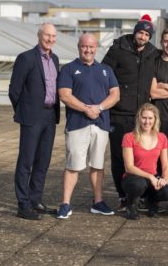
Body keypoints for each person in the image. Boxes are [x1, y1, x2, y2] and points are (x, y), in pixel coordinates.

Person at [56, 33, 120, 219]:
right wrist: (86, 109)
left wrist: (98, 108)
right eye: (85, 46)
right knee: (73, 165)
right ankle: (65, 204)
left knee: (97, 165)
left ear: (96, 48)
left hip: (100, 125)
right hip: (78, 125)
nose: (88, 50)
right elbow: (65, 95)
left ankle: (97, 202)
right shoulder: (69, 69)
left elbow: (115, 95)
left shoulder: (106, 70)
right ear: (79, 47)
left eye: (91, 47)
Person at [102, 14, 160, 211]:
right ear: (135, 32)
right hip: (119, 114)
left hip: (142, 116)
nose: (143, 37)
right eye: (140, 32)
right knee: (119, 157)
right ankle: (122, 196)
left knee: (143, 156)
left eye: (146, 34)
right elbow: (104, 74)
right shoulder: (118, 49)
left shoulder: (153, 53)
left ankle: (140, 195)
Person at [8, 23, 60, 220]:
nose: (50, 39)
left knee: (43, 161)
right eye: (47, 35)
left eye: (53, 36)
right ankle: (23, 204)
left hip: (49, 116)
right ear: (39, 35)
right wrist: (24, 111)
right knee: (26, 161)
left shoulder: (54, 59)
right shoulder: (26, 58)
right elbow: (14, 90)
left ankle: (35, 199)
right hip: (32, 117)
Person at [121, 103, 168, 220]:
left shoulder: (162, 137)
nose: (147, 122)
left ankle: (152, 201)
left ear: (155, 120)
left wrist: (164, 179)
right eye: (144, 117)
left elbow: (165, 164)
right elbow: (129, 167)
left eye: (150, 118)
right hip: (133, 177)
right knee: (138, 184)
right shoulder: (129, 137)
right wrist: (150, 177)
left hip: (153, 178)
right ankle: (131, 204)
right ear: (139, 118)